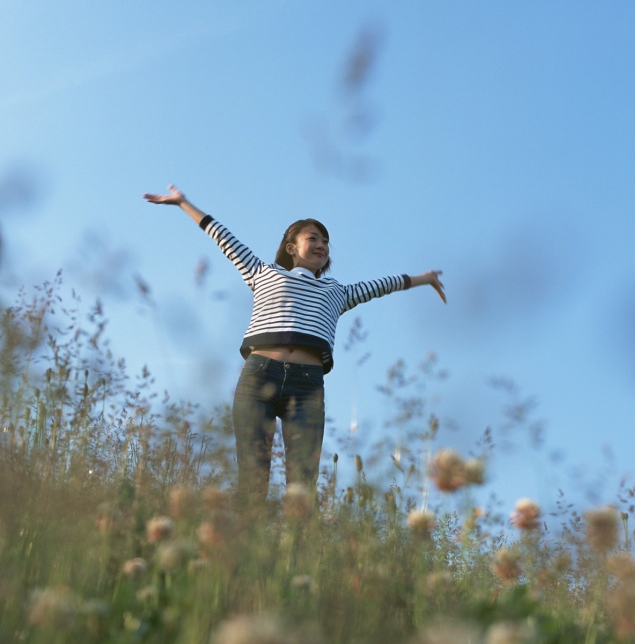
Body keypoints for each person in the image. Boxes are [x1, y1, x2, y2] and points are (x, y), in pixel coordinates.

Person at [143, 185, 446, 508]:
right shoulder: (263, 272)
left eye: (326, 240)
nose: (321, 244)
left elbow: (383, 286)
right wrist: (183, 203)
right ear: (291, 247)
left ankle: (294, 554)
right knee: (253, 478)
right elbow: (222, 237)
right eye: (313, 238)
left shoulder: (337, 291)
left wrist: (423, 278)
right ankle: (247, 549)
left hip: (307, 387)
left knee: (302, 488)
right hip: (259, 377)